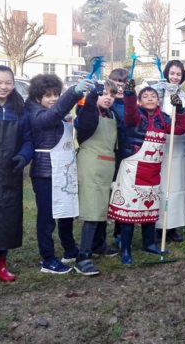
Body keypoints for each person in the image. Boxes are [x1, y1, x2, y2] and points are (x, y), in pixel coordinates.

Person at [108, 81, 185, 265]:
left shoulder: (164, 119)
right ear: (140, 102)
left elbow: (181, 129)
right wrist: (129, 94)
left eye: (153, 96)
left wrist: (180, 109)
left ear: (158, 101)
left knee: (150, 210)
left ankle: (149, 243)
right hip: (132, 169)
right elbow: (128, 112)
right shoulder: (135, 116)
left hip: (152, 171)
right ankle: (125, 249)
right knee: (129, 211)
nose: (150, 99)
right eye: (145, 96)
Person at [26, 74, 94, 274]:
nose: (54, 99)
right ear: (38, 97)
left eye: (57, 94)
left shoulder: (59, 113)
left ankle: (69, 248)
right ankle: (47, 259)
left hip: (64, 171)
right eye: (48, 96)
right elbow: (51, 117)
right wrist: (73, 92)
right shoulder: (35, 113)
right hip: (45, 172)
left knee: (66, 212)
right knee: (47, 218)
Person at [0, 66, 32, 289]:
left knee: (6, 219)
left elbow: (29, 140)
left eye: (8, 83)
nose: (4, 87)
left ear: (13, 85)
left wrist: (23, 156)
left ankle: (1, 263)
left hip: (10, 174)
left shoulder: (20, 109)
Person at [74, 79, 120, 276]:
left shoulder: (112, 114)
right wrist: (92, 95)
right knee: (92, 210)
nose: (108, 98)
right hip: (90, 165)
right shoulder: (87, 114)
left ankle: (98, 245)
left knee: (102, 208)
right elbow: (87, 122)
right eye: (104, 94)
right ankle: (83, 256)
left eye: (111, 94)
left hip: (107, 165)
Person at [154, 60, 185, 243]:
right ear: (167, 73)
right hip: (164, 143)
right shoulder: (159, 91)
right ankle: (159, 226)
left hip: (180, 145)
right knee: (162, 185)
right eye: (172, 73)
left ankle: (174, 226)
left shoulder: (183, 94)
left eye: (178, 74)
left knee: (177, 185)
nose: (175, 77)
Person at [103, 68, 129, 251]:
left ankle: (120, 232)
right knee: (105, 193)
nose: (120, 88)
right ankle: (99, 236)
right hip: (107, 153)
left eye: (123, 84)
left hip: (126, 154)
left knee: (122, 192)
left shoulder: (131, 103)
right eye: (117, 84)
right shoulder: (107, 103)